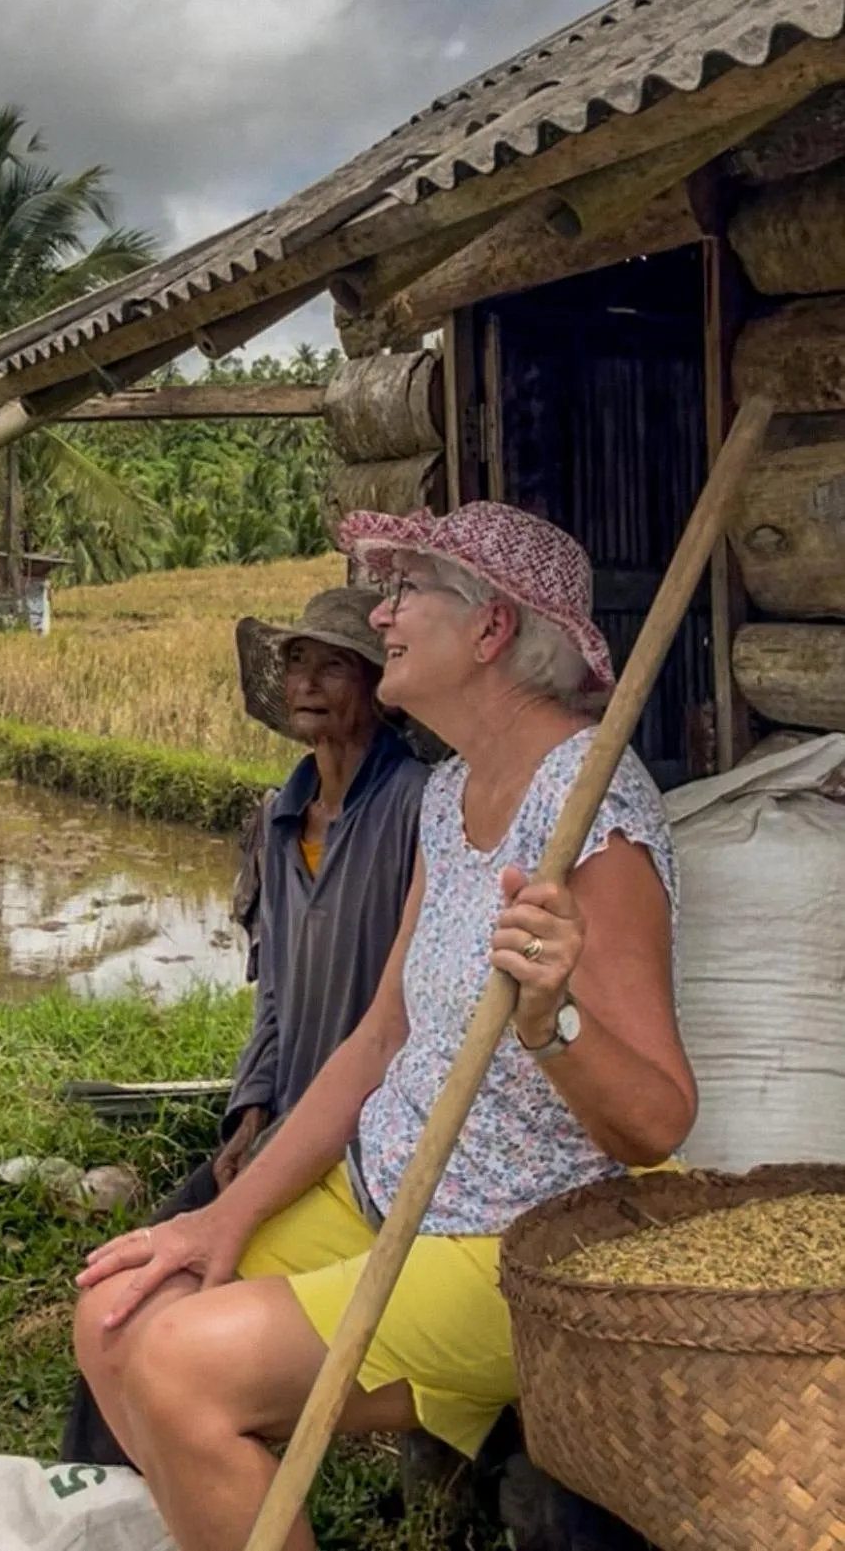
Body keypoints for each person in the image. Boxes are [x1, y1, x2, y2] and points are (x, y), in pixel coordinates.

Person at [71, 503, 697, 1551]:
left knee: (178, 1364)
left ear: (490, 629)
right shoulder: (448, 794)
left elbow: (659, 1120)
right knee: (117, 1312)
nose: (384, 612)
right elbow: (378, 1038)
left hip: (520, 1239)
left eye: (407, 591)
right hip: (391, 1184)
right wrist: (220, 1218)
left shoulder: (593, 813)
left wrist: (554, 1019)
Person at [59, 585, 431, 1467]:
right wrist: (249, 1110)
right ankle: (110, 1497)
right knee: (123, 1286)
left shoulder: (418, 807)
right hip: (282, 1128)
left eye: (332, 663)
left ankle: (186, 1488)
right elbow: (270, 991)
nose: (305, 680)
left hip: (365, 1142)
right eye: (295, 661)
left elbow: (409, 1016)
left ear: (377, 684)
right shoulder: (278, 818)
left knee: (183, 1321)